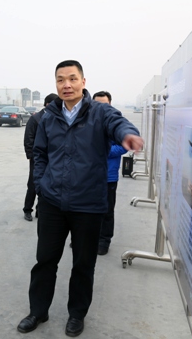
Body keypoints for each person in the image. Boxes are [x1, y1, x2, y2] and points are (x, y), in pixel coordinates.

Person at [17, 60, 143, 337]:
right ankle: (38, 311)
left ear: (83, 82)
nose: (67, 85)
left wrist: (128, 134)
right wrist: (41, 185)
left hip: (88, 204)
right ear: (56, 84)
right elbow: (39, 153)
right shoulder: (49, 116)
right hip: (52, 202)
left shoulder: (100, 112)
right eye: (61, 80)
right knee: (45, 261)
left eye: (72, 79)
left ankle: (76, 314)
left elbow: (118, 123)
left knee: (83, 265)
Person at [92, 91, 128, 256]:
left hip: (108, 176)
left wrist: (102, 151)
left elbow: (123, 146)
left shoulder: (115, 123)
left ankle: (104, 241)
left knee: (106, 211)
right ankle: (87, 238)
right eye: (97, 104)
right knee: (86, 210)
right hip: (87, 176)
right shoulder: (86, 121)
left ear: (110, 104)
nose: (101, 108)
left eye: (104, 104)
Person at [22, 93, 59, 221]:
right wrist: (31, 156)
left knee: (47, 185)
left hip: (52, 158)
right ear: (47, 104)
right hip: (37, 158)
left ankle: (40, 210)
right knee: (33, 184)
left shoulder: (56, 118)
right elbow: (28, 138)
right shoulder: (36, 118)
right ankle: (27, 209)